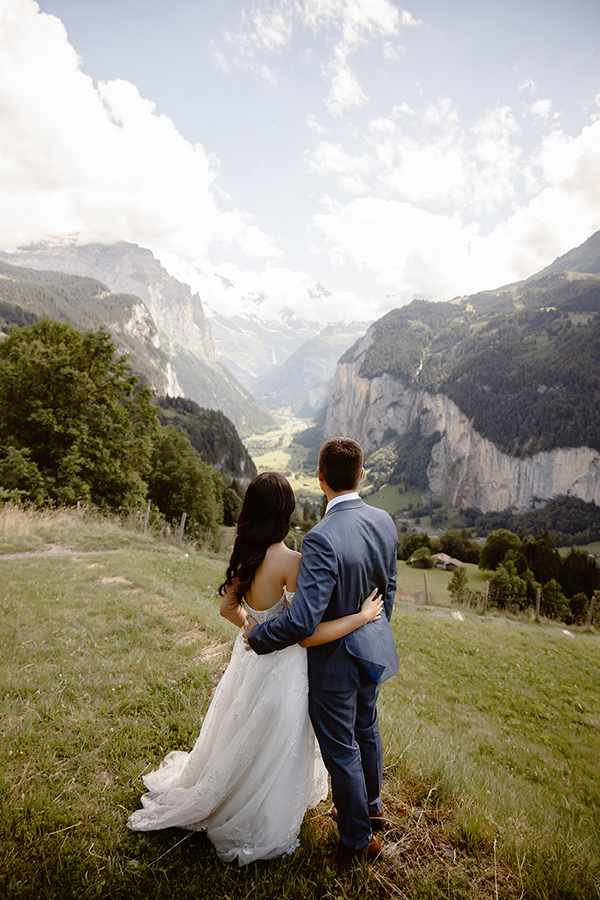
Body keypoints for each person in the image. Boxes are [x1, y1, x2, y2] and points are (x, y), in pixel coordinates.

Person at [127, 470, 384, 867]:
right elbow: (306, 634)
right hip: (284, 669)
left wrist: (252, 626)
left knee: (242, 727)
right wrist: (362, 617)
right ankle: (261, 812)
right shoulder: (292, 561)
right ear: (286, 512)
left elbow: (226, 608)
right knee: (276, 742)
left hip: (249, 662)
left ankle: (226, 791)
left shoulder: (245, 552)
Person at [245, 436, 398, 872]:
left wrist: (257, 637)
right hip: (372, 649)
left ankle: (355, 841)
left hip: (333, 664)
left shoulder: (321, 538)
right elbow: (387, 592)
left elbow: (302, 622)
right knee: (366, 729)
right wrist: (374, 631)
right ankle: (370, 808)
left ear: (319, 476)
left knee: (342, 750)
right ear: (362, 473)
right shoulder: (385, 520)